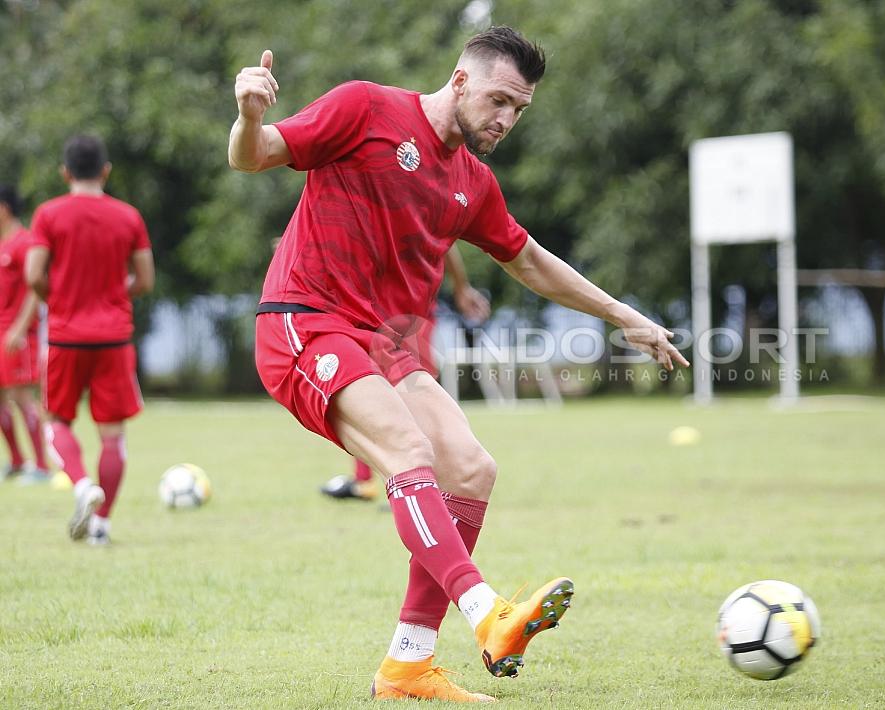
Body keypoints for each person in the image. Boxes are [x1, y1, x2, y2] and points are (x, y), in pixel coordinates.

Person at [229, 26, 686, 702]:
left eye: (520, 110)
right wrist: (247, 113)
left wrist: (624, 316)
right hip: (303, 319)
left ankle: (408, 666)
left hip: (385, 342)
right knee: (408, 450)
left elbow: (529, 260)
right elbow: (255, 156)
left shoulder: (472, 180)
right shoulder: (365, 108)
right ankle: (488, 613)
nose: (506, 119)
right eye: (500, 100)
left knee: (472, 468)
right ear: (462, 80)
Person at [25, 135, 156, 546]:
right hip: (114, 339)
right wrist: (116, 294)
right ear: (106, 171)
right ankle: (102, 525)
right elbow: (146, 279)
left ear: (65, 173)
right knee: (113, 436)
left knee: (57, 423)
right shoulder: (129, 217)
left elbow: (32, 275)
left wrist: (59, 298)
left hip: (66, 338)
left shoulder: (48, 215)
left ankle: (81, 485)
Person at [320, 246, 490, 502]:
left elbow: (446, 245)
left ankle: (425, 484)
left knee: (416, 397)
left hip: (410, 315)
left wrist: (461, 288)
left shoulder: (420, 213)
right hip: (373, 312)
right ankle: (366, 481)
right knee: (362, 391)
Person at [0, 184, 49, 482]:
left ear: (4, 208)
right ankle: (17, 461)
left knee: (21, 396)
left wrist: (19, 328)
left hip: (18, 334)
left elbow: (35, 287)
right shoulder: (2, 243)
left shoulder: (24, 242)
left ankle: (42, 466)